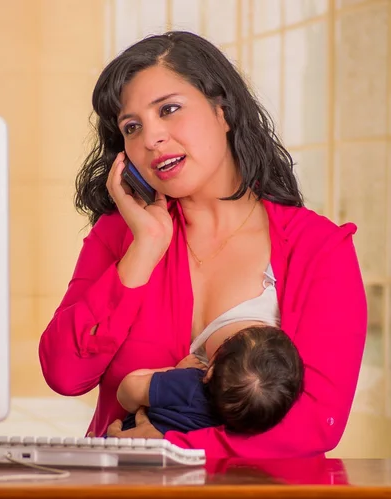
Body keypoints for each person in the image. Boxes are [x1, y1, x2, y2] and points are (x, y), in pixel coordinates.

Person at [38, 31, 367, 458]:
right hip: (119, 488)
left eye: (169, 109)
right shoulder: (120, 236)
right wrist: (145, 249)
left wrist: (178, 448)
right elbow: (65, 374)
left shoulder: (319, 248)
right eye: (132, 127)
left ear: (223, 110)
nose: (151, 138)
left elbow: (318, 422)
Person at [117, 325, 305, 435]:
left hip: (123, 456)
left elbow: (127, 392)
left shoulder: (189, 384)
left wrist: (174, 371)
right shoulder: (239, 426)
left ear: (210, 371)